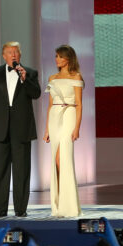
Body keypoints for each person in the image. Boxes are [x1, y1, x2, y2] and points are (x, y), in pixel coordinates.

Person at [0, 41, 41, 218]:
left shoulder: (30, 73)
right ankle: (0, 210)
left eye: (16, 52)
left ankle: (21, 210)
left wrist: (25, 78)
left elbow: (36, 94)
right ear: (3, 56)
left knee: (22, 171)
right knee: (0, 171)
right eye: (9, 52)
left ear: (20, 56)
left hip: (22, 129)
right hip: (0, 129)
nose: (13, 55)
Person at [44, 44, 83, 217]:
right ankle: (58, 205)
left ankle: (69, 205)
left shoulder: (76, 76)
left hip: (69, 114)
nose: (57, 59)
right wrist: (46, 129)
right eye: (56, 56)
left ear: (68, 59)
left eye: (60, 56)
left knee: (63, 158)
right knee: (55, 160)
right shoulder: (52, 77)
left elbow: (80, 104)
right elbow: (50, 104)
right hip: (54, 116)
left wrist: (77, 128)